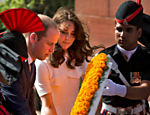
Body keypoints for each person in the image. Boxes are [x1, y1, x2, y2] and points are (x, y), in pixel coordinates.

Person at [35, 7, 103, 115]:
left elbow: (95, 86)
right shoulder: (42, 63)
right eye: (64, 32)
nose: (68, 38)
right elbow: (48, 105)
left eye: (73, 34)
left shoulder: (78, 57)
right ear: (55, 31)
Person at [0, 8, 59, 115]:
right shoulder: (11, 63)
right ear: (33, 38)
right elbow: (17, 105)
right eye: (50, 44)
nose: (52, 50)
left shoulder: (32, 65)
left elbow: (29, 105)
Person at [99, 0, 150, 114]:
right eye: (119, 29)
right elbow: (94, 99)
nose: (122, 35)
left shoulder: (146, 57)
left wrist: (118, 90)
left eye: (129, 30)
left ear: (139, 33)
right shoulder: (103, 58)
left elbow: (145, 91)